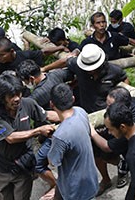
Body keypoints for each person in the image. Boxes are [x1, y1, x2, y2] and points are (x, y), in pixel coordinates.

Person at [65, 44, 128, 192]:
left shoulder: (113, 70)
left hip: (109, 119)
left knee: (113, 149)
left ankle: (122, 165)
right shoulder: (78, 67)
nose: (92, 70)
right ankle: (105, 180)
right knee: (95, 154)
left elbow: (124, 79)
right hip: (89, 119)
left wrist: (119, 102)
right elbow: (68, 60)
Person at [0, 72, 55, 200]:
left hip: (23, 166)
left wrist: (71, 115)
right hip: (3, 168)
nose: (17, 98)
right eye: (12, 96)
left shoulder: (28, 103)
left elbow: (48, 115)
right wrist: (38, 131)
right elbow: (10, 138)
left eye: (19, 94)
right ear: (2, 97)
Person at [16, 60, 70, 197]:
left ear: (31, 79)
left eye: (24, 81)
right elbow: (70, 74)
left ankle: (57, 186)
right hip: (68, 121)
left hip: (56, 129)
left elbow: (26, 110)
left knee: (38, 163)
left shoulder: (37, 96)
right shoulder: (56, 75)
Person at [47, 83, 100, 200]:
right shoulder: (80, 112)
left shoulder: (60, 135)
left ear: (52, 104)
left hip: (75, 191)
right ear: (73, 98)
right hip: (90, 180)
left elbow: (52, 162)